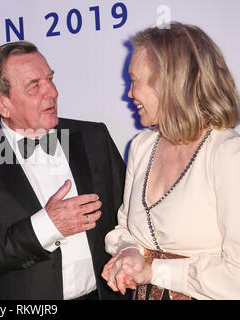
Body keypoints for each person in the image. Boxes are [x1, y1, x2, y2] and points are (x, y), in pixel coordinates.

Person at [0, 41, 126, 300]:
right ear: (1, 102)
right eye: (35, 85)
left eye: (50, 79)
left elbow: (129, 214)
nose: (52, 92)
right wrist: (46, 226)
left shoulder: (93, 136)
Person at [102, 22, 240, 300]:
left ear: (169, 82)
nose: (129, 94)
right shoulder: (142, 147)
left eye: (134, 80)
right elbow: (126, 230)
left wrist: (154, 271)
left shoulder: (226, 154)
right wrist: (128, 252)